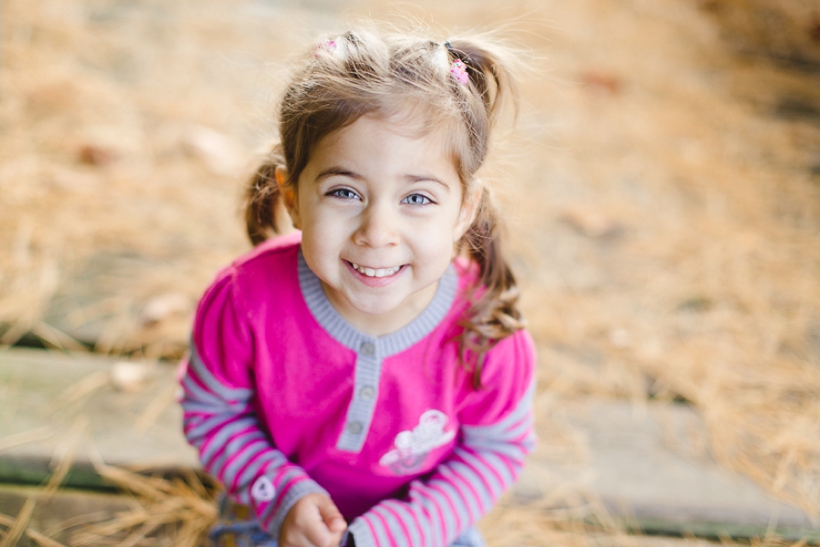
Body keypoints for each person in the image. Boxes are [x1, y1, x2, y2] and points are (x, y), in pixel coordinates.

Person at [179, 25, 537, 547]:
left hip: (422, 528)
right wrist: (282, 498)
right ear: (294, 196)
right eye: (345, 191)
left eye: (416, 198)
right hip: (272, 517)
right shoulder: (244, 300)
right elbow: (212, 413)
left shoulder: (485, 330)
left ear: (464, 210)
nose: (377, 233)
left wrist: (403, 531)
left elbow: (495, 451)